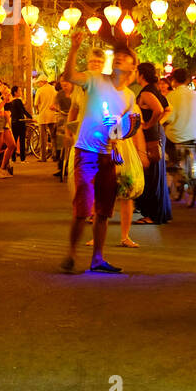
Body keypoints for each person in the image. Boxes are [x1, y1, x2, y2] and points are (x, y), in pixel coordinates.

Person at [60, 30, 138, 273]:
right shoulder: (95, 79)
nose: (118, 59)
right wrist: (74, 47)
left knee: (104, 210)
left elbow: (124, 126)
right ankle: (71, 254)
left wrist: (116, 141)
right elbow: (70, 75)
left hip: (107, 156)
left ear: (133, 68)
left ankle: (97, 259)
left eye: (124, 57)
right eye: (116, 56)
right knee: (83, 208)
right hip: (85, 152)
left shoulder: (128, 96)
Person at [160, 67, 196, 209]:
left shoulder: (171, 96)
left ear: (173, 80)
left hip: (175, 136)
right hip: (193, 135)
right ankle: (191, 178)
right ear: (187, 80)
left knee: (168, 158)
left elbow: (169, 117)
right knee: (193, 154)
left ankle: (176, 172)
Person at [133, 62, 170, 224]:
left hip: (150, 138)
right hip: (155, 134)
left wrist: (149, 124)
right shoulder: (153, 90)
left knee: (152, 176)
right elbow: (168, 109)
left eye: (136, 71)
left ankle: (152, 215)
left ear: (141, 74)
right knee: (156, 175)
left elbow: (160, 110)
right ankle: (157, 213)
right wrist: (158, 123)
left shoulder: (147, 92)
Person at [53, 79, 74, 180]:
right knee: (61, 144)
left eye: (66, 84)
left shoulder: (76, 93)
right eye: (63, 84)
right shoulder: (60, 94)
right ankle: (61, 167)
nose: (65, 86)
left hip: (72, 120)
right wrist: (56, 108)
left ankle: (70, 166)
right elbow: (53, 105)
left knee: (72, 144)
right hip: (62, 119)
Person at [34, 78, 59, 162]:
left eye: (39, 82)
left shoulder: (40, 90)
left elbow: (36, 104)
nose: (38, 84)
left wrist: (38, 110)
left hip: (43, 115)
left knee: (43, 137)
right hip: (52, 115)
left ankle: (43, 157)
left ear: (42, 82)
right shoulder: (53, 89)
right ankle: (55, 155)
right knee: (53, 137)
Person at [7, 85, 32, 162]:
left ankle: (13, 158)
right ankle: (22, 158)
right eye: (20, 91)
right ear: (15, 92)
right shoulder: (18, 101)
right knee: (22, 141)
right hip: (20, 122)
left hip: (13, 122)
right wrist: (30, 117)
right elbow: (23, 111)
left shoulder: (11, 101)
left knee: (14, 140)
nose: (21, 92)